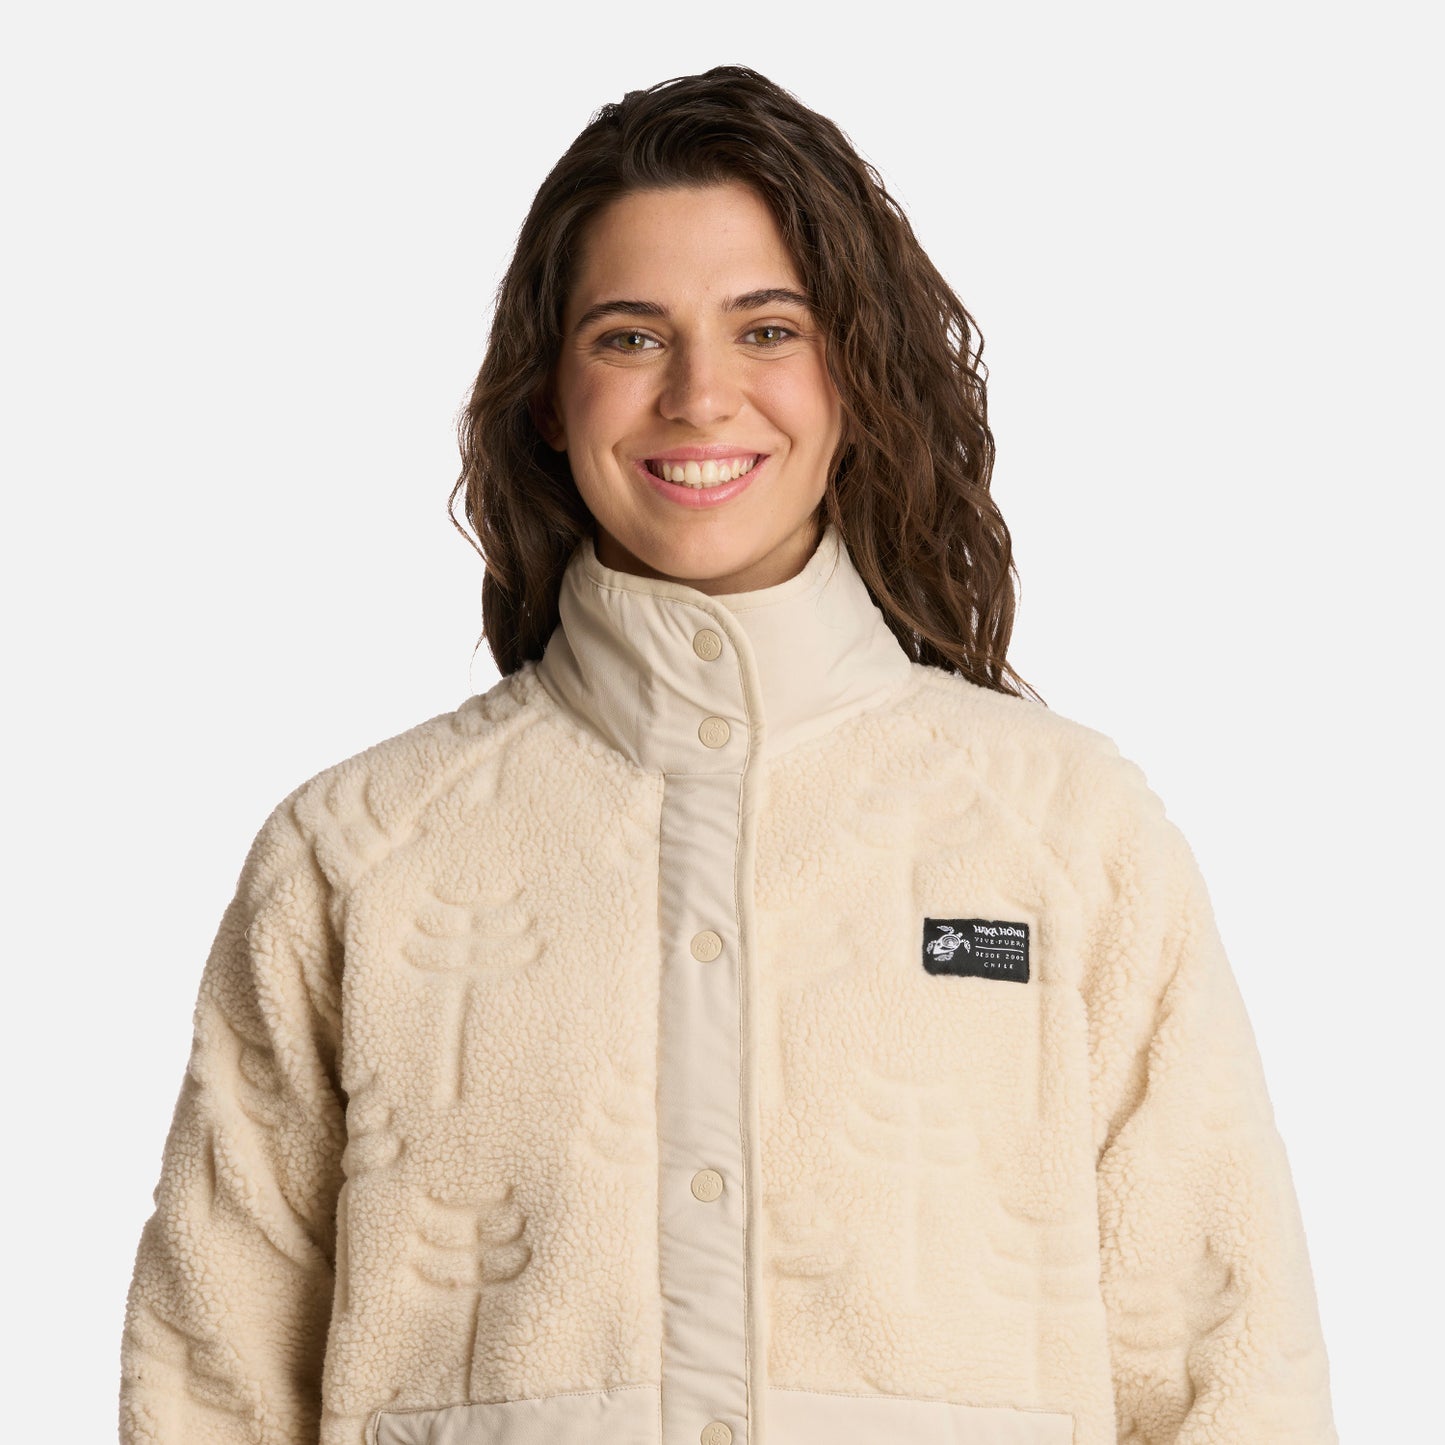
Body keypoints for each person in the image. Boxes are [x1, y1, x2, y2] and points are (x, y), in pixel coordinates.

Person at [118, 65, 1339, 1445]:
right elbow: (208, 1385)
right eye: (631, 336)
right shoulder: (359, 852)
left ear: (853, 374)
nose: (701, 396)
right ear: (547, 395)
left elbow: (1229, 1372)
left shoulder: (1066, 832)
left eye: (767, 329)